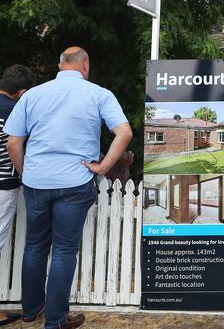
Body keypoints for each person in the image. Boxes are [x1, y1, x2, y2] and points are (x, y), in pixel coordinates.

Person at [5, 47, 132, 329]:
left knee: (35, 246)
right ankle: (56, 321)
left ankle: (30, 312)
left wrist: (28, 173)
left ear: (60, 65)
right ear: (85, 65)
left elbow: (13, 143)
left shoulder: (33, 95)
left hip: (37, 181)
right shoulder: (98, 94)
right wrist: (103, 167)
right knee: (63, 250)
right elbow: (124, 132)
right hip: (75, 181)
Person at [0, 65, 35, 327]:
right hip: (3, 184)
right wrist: (23, 173)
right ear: (21, 92)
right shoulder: (13, 112)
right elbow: (17, 145)